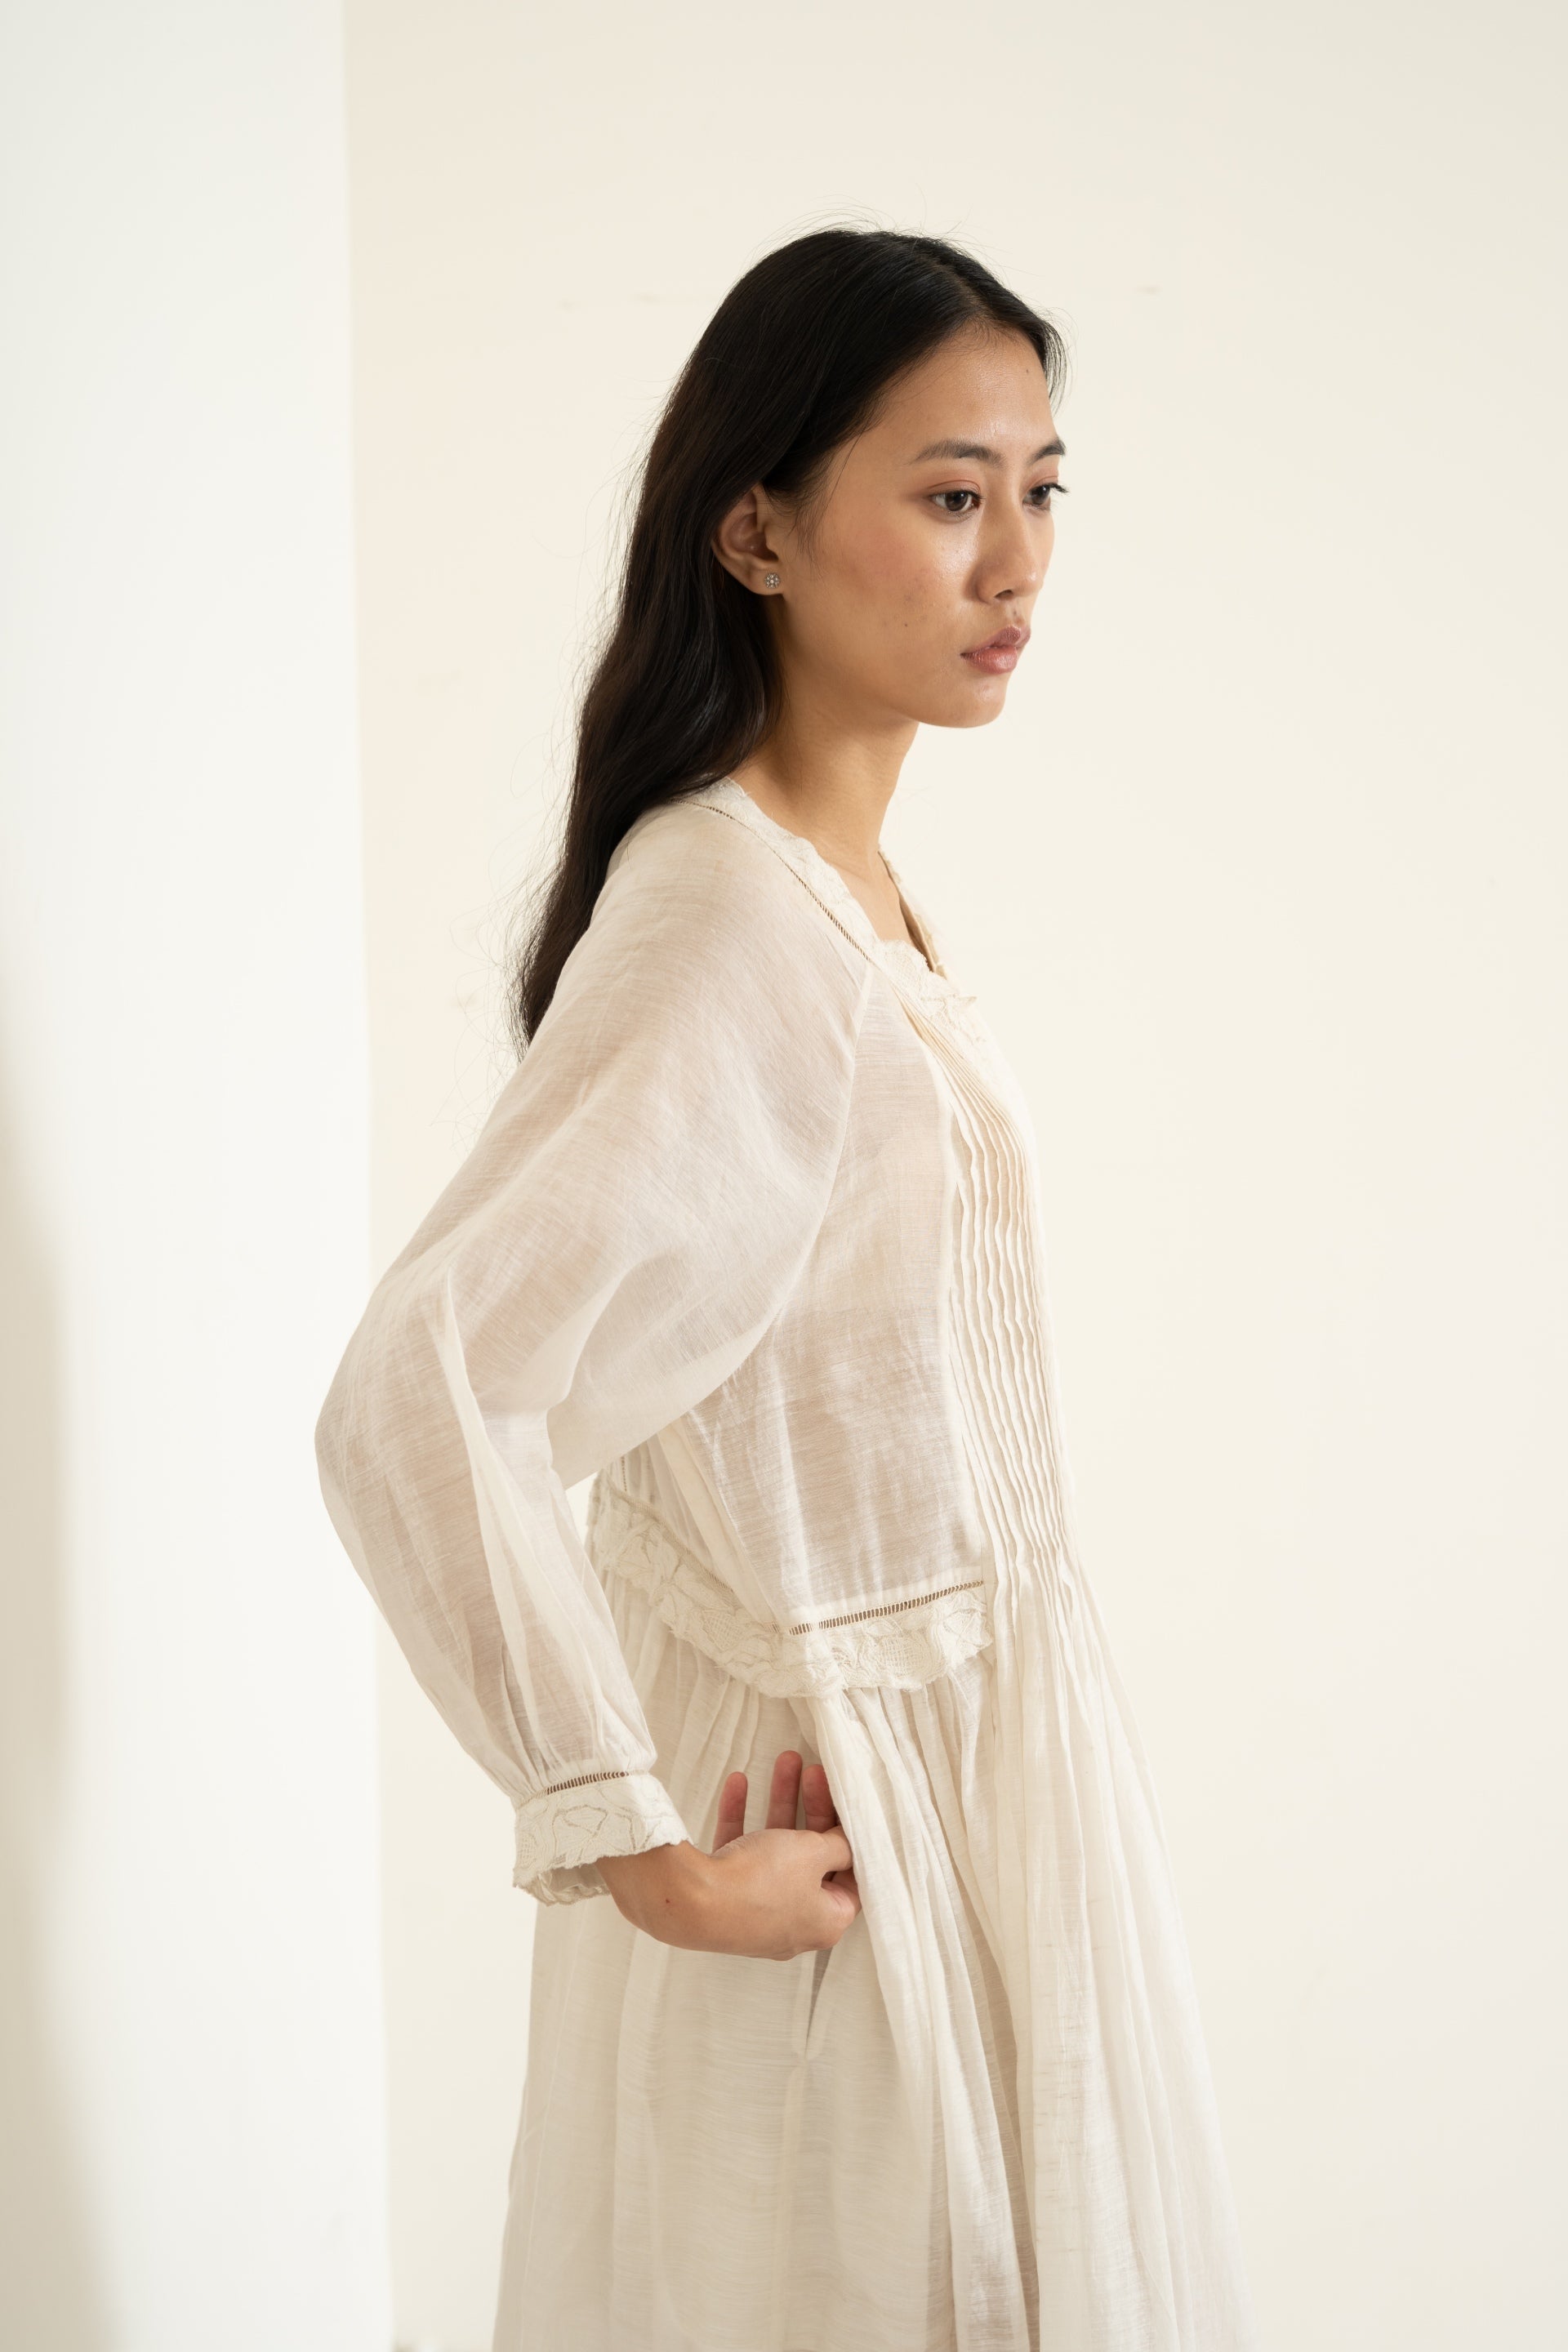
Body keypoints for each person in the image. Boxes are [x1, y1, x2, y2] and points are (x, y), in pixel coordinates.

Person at [315, 226, 1260, 2352]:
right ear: (755, 531)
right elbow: (417, 1389)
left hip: (975, 1795)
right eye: (950, 495)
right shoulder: (730, 920)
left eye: (1042, 490)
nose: (1018, 562)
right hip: (838, 1859)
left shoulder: (840, 893)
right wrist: (637, 1844)